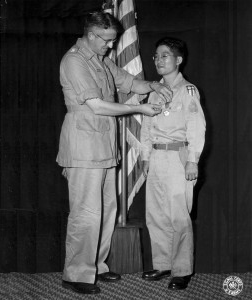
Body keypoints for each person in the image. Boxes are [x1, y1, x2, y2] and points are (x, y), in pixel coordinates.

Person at [56, 11, 172, 295]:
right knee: (86, 213)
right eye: (107, 40)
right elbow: (98, 106)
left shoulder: (101, 60)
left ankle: (96, 266)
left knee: (108, 210)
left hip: (105, 147)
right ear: (92, 35)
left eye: (113, 40)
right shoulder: (74, 60)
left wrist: (154, 85)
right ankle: (77, 274)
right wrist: (139, 108)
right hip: (83, 148)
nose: (110, 46)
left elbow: (130, 83)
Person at [140, 37, 206, 290]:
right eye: (156, 56)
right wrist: (146, 156)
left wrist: (193, 161)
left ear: (178, 60)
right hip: (156, 156)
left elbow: (196, 127)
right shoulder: (155, 91)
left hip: (178, 156)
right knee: (155, 214)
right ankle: (163, 263)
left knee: (178, 215)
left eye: (165, 55)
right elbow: (147, 125)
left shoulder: (188, 90)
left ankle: (181, 270)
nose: (158, 60)